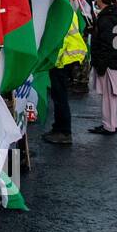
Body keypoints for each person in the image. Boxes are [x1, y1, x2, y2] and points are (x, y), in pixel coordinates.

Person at [43, 13, 88, 145]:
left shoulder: (61, 12)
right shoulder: (67, 10)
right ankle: (58, 128)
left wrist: (53, 59)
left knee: (60, 96)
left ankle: (64, 132)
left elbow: (62, 39)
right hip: (66, 58)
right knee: (58, 95)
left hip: (63, 60)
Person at [88, 0, 117, 136]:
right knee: (112, 96)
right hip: (115, 59)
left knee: (108, 96)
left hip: (108, 61)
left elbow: (105, 42)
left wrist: (101, 62)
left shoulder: (106, 19)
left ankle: (109, 125)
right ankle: (111, 123)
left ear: (100, 0)